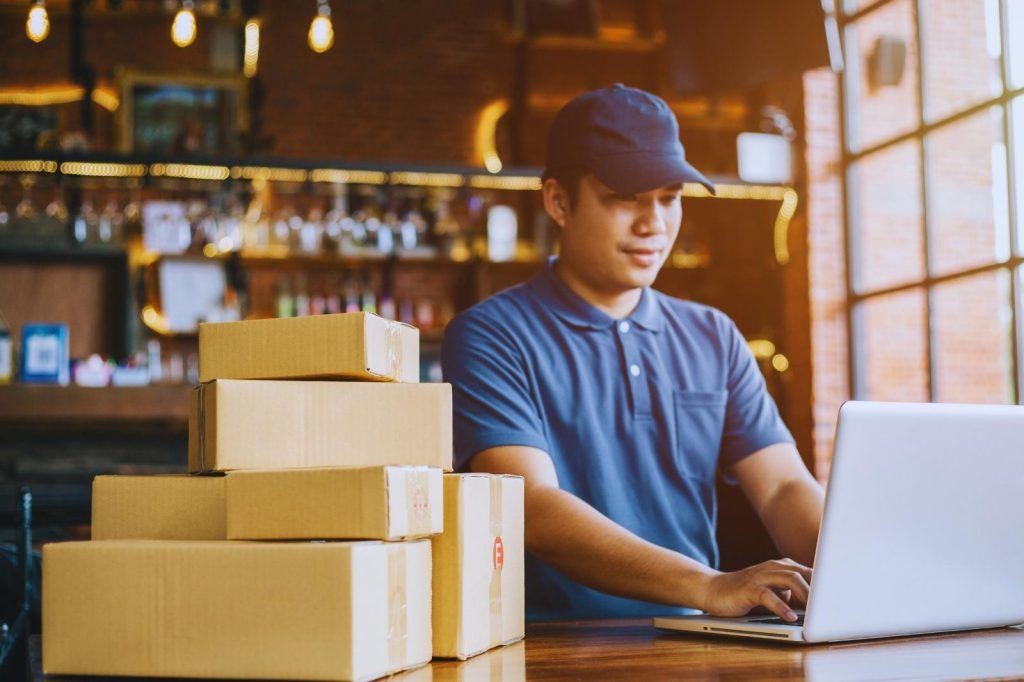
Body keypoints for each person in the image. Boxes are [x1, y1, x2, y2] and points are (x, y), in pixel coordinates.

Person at [441, 84, 824, 622]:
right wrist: (709, 586)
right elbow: (532, 507)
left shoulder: (714, 335)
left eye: (669, 198)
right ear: (558, 201)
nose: (654, 223)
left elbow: (784, 486)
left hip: (694, 646)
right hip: (549, 654)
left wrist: (858, 566)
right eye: (625, 197)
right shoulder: (491, 336)